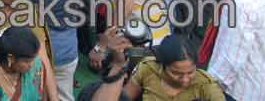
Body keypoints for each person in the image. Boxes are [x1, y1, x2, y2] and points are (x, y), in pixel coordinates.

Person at [86, 33, 224, 101]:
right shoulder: (148, 68)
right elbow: (124, 98)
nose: (185, 79)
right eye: (176, 73)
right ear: (161, 65)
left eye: (190, 72)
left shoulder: (207, 85)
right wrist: (118, 66)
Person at [0, 27, 49, 101]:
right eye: (27, 61)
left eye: (33, 59)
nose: (32, 65)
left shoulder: (36, 64)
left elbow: (42, 96)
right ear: (11, 58)